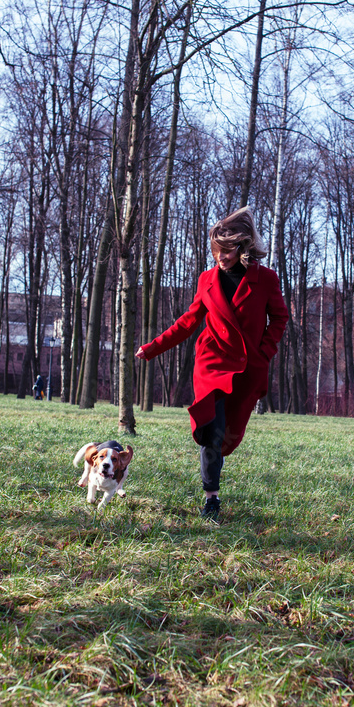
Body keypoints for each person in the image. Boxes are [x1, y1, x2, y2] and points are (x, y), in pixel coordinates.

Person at [136, 207, 288, 521]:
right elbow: (188, 322)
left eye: (227, 249)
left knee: (228, 433)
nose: (220, 256)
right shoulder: (206, 280)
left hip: (246, 367)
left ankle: (212, 490)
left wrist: (263, 352)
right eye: (216, 250)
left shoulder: (265, 279)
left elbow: (280, 318)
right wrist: (151, 348)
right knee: (211, 430)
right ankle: (211, 499)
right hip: (211, 363)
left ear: (242, 247)